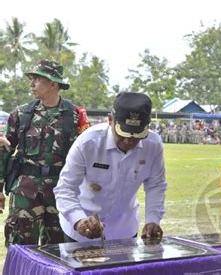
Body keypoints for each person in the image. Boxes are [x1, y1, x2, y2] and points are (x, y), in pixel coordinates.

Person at [54, 92, 167, 241]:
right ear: (110, 120)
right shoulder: (88, 143)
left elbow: (155, 185)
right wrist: (78, 220)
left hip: (124, 230)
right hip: (81, 228)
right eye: (122, 133)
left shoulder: (153, 145)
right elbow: (65, 188)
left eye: (136, 135)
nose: (128, 141)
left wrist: (153, 219)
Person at [0, 59, 89, 246]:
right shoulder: (22, 114)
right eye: (31, 79)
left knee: (58, 249)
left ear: (53, 84)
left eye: (37, 79)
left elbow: (86, 156)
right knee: (20, 246)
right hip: (25, 189)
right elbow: (5, 150)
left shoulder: (74, 116)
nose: (31, 84)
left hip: (60, 190)